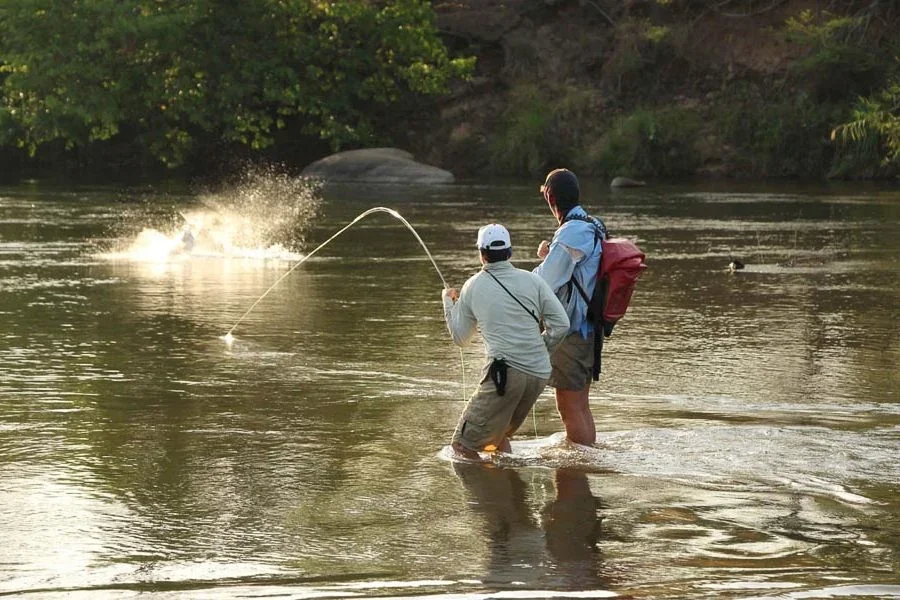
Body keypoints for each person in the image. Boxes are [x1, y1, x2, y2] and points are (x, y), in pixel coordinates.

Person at [442, 223, 570, 460]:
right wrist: (542, 348)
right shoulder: (533, 281)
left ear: (482, 254)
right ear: (509, 252)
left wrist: (448, 304)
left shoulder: (472, 286)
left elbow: (461, 339)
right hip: (539, 374)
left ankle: (493, 495)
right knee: (496, 439)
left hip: (505, 377)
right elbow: (562, 325)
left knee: (461, 448)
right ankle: (513, 492)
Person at [533, 168, 608, 446]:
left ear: (551, 197)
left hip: (572, 330)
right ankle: (586, 461)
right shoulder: (593, 224)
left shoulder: (572, 231)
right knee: (580, 404)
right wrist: (549, 253)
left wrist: (514, 283)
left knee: (569, 404)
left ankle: (577, 472)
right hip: (589, 327)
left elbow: (545, 281)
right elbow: (579, 269)